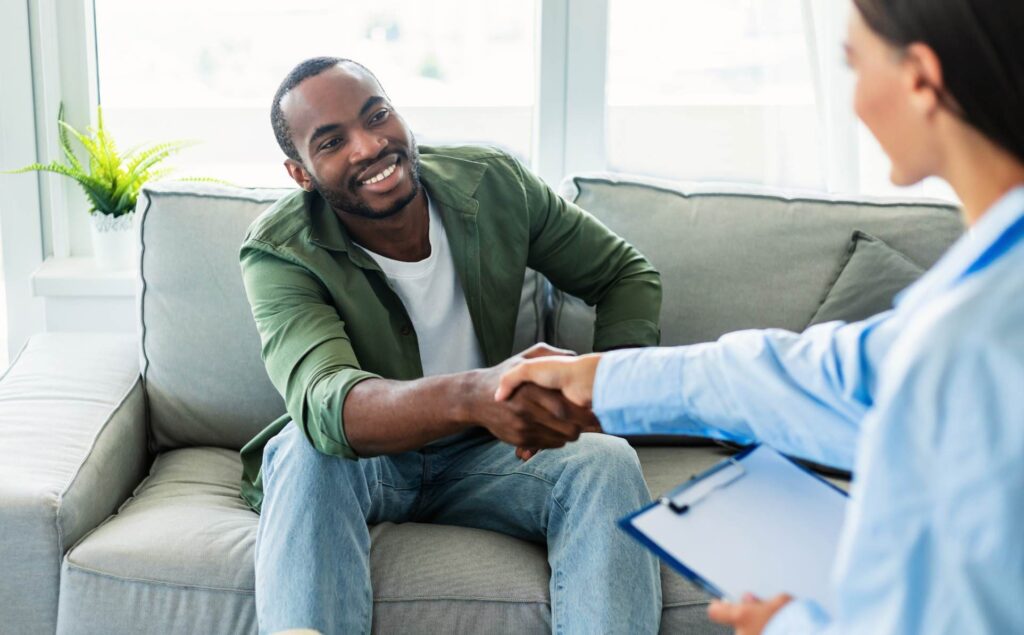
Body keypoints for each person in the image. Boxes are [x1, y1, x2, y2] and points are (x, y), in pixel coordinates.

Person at [495, 0, 1024, 633]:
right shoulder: (975, 301)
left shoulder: (978, 336)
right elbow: (825, 374)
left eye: (854, 65)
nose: (853, 102)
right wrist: (600, 378)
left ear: (919, 77)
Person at [239, 57, 664, 634]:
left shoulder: (493, 184)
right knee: (304, 447)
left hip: (487, 456)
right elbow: (327, 402)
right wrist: (473, 393)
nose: (369, 147)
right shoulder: (280, 250)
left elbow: (624, 276)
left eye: (378, 115)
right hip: (365, 462)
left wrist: (600, 400)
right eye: (333, 141)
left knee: (606, 461)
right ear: (301, 173)